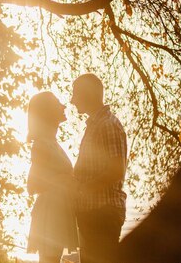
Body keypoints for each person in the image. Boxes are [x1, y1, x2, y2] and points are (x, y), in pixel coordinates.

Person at [71, 73, 128, 263]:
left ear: (89, 94)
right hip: (92, 214)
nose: (72, 100)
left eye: (76, 94)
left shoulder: (108, 125)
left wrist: (82, 190)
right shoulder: (95, 125)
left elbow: (116, 170)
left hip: (102, 215)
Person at [26, 91, 79, 263]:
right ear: (48, 111)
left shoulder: (52, 143)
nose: (63, 106)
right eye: (58, 103)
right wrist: (63, 181)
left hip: (60, 211)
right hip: (51, 213)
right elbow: (32, 185)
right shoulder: (42, 144)